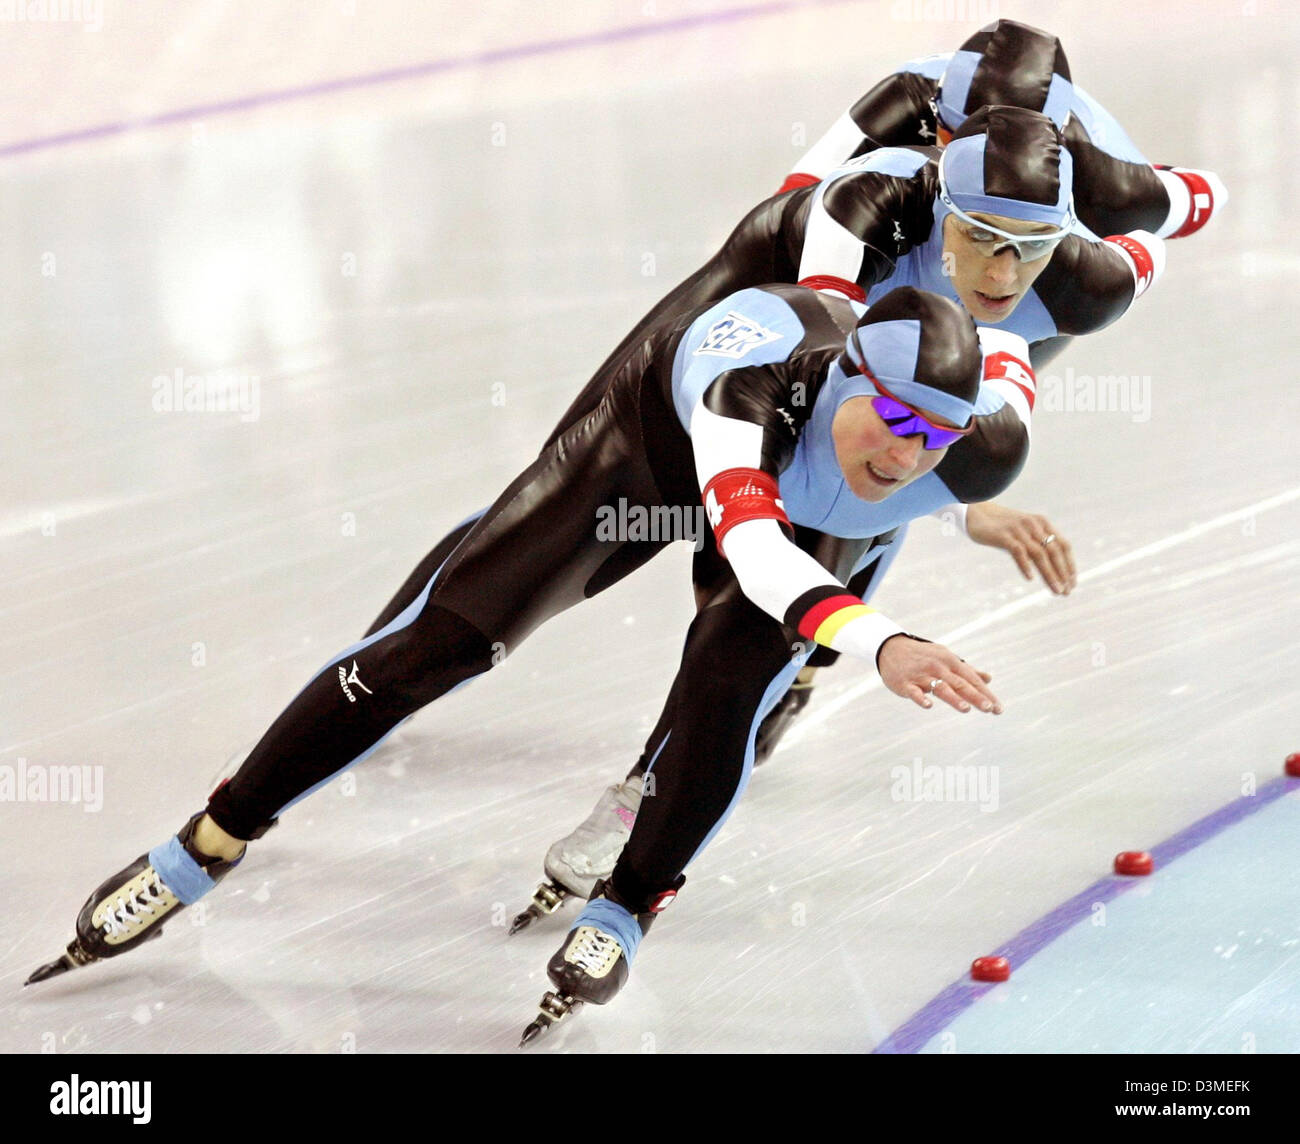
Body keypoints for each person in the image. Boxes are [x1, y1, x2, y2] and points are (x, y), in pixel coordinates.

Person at [28, 284, 1037, 1046]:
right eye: (894, 421)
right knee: (442, 644)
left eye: (934, 434)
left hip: (805, 511)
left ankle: (627, 906)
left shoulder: (973, 447)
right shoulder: (751, 393)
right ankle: (207, 842)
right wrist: (880, 639)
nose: (908, 454)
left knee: (727, 682)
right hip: (649, 451)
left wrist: (963, 505)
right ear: (847, 380)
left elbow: (1017, 355)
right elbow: (754, 548)